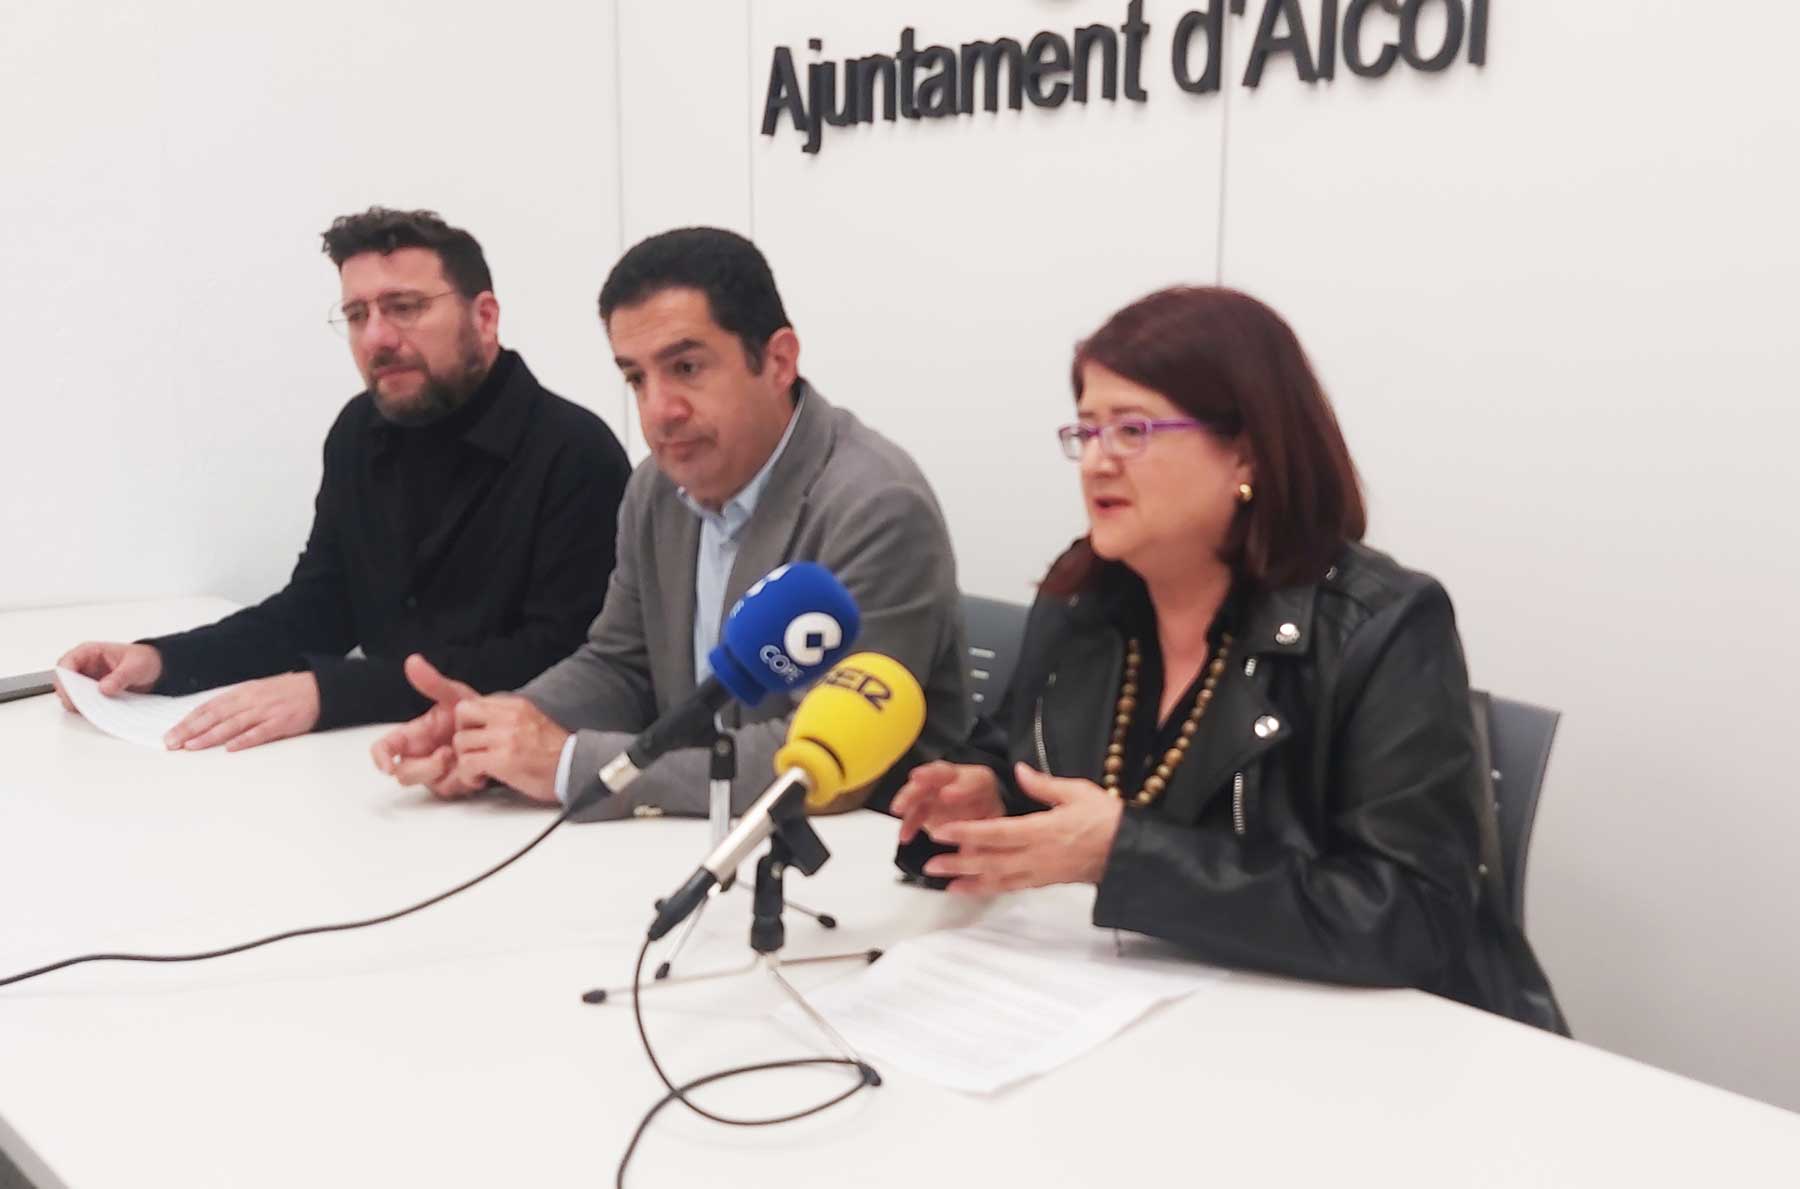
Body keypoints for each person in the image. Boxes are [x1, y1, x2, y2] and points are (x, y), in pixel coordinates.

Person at [891, 286, 1564, 1030]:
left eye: (1132, 429)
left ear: (1246, 448)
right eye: (1086, 432)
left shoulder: (1383, 626)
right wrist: (987, 794)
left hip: (1352, 1046)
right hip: (1142, 1018)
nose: (1097, 463)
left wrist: (1124, 857)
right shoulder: (1083, 599)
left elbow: (1410, 916)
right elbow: (1031, 758)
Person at [371, 227, 969, 818]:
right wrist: (494, 730)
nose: (659, 411)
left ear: (779, 360)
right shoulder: (656, 489)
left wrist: (568, 764)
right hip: (688, 841)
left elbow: (823, 772)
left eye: (686, 367)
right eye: (636, 378)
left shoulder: (875, 506)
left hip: (863, 866)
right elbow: (621, 668)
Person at [54, 207, 631, 751]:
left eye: (404, 306)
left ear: (484, 317)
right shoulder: (359, 431)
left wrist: (333, 692)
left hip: (508, 773)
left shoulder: (576, 452)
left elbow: (565, 662)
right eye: (357, 315)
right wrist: (160, 662)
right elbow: (316, 609)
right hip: (360, 762)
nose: (377, 337)